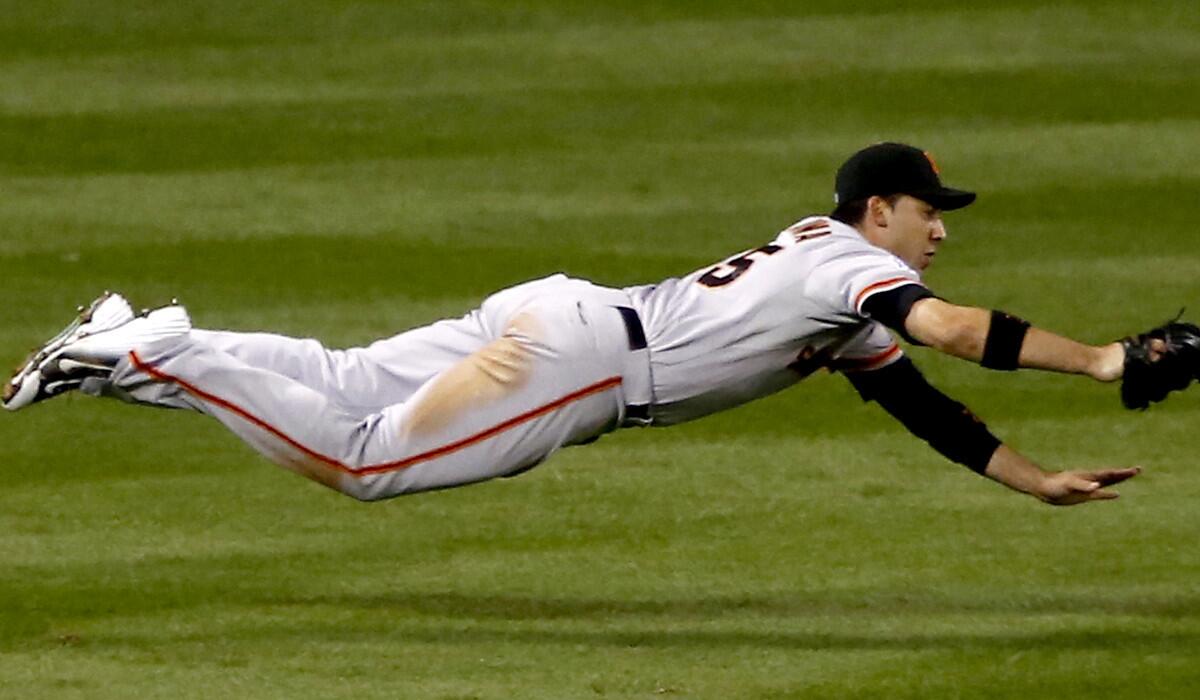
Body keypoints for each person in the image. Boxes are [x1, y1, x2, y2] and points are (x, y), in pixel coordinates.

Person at [4, 142, 1145, 505]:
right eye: (928, 213)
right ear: (877, 208)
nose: (939, 230)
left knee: (345, 376)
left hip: (565, 310)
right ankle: (164, 352)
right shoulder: (849, 263)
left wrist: (1034, 480)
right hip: (587, 362)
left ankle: (130, 339)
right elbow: (948, 333)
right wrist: (1101, 359)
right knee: (364, 463)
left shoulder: (828, 276)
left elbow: (926, 404)